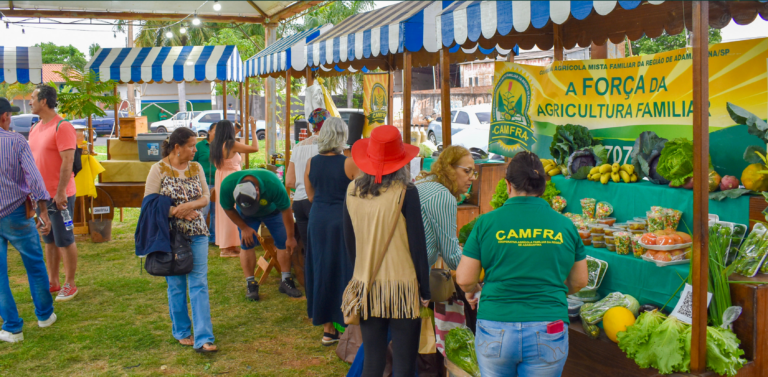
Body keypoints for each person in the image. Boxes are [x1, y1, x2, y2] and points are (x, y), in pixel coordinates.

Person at [456, 151, 588, 377]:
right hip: (549, 325)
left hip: (495, 325)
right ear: (544, 185)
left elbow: (465, 279)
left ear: (507, 184)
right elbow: (579, 281)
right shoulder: (565, 225)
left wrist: (473, 291)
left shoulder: (486, 223)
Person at [342, 125, 430, 377]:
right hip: (402, 288)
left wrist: (359, 275)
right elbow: (418, 245)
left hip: (367, 285)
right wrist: (425, 289)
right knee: (404, 363)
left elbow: (350, 241)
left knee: (373, 359)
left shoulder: (351, 191)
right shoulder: (406, 192)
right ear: (401, 161)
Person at [144, 127, 217, 353]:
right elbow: (149, 205)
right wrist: (176, 211)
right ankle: (182, 331)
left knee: (199, 283)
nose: (195, 150)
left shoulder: (196, 168)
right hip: (170, 236)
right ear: (177, 147)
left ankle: (204, 337)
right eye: (191, 146)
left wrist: (190, 206)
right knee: (176, 285)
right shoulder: (158, 169)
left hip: (197, 233)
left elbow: (206, 196)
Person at [0, 98, 57, 343]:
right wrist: (43, 210)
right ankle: (44, 316)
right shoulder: (15, 141)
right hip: (15, 212)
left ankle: (12, 328)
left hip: (13, 211)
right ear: (4, 117)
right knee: (34, 264)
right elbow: (34, 179)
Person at [304, 117, 359, 346]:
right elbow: (360, 195)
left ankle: (328, 329)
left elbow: (310, 196)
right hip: (341, 219)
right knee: (345, 269)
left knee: (321, 268)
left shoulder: (310, 162)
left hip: (317, 219)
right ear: (342, 136)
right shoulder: (349, 163)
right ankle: (348, 324)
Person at [28, 84, 79, 302]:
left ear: (44, 101)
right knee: (48, 240)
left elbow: (68, 161)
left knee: (64, 239)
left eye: (33, 97)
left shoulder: (63, 126)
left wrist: (60, 193)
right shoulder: (35, 128)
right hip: (41, 197)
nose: (30, 101)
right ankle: (54, 281)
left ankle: (70, 283)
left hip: (60, 196)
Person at [219, 168, 302, 300]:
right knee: (246, 244)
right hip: (245, 215)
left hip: (273, 212)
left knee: (283, 241)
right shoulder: (228, 185)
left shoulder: (272, 184)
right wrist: (243, 227)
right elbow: (228, 208)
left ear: (257, 191)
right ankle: (250, 283)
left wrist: (291, 237)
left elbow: (286, 211)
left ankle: (286, 280)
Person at [415, 145, 477, 270]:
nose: (473, 177)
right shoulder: (442, 196)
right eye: (467, 171)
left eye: (474, 172)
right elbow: (452, 257)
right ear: (450, 169)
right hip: (411, 276)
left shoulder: (424, 183)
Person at [285, 108, 326, 285]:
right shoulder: (326, 146)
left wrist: (302, 186)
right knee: (323, 248)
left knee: (309, 248)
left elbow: (289, 181)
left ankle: (311, 288)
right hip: (316, 201)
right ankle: (322, 287)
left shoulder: (298, 146)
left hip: (299, 203)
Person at [210, 120, 259, 258]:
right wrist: (253, 130)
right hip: (232, 178)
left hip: (221, 177)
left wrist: (236, 131)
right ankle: (227, 248)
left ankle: (228, 245)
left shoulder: (216, 144)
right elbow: (255, 148)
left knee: (225, 210)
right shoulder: (231, 144)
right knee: (234, 209)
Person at [192, 122, 217, 244]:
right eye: (215, 130)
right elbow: (192, 163)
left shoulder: (221, 146)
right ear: (209, 131)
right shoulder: (200, 146)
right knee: (203, 211)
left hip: (218, 183)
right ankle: (202, 237)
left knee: (215, 213)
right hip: (203, 184)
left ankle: (214, 238)